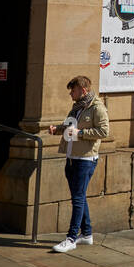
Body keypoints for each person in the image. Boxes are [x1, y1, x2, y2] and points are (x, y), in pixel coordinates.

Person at [44, 76, 109, 252]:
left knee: (78, 198)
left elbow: (103, 131)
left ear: (83, 90)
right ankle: (87, 234)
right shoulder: (77, 107)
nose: (71, 94)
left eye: (73, 90)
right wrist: (56, 129)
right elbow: (68, 126)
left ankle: (72, 238)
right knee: (78, 197)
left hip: (86, 159)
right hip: (72, 157)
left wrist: (80, 133)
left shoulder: (97, 107)